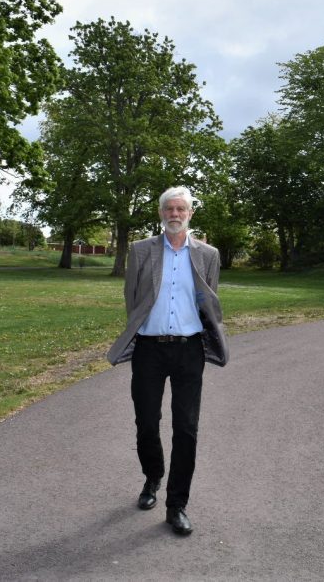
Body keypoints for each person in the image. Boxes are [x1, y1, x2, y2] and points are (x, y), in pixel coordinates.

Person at [106, 186, 229, 536]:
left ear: (190, 213)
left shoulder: (208, 254)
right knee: (146, 422)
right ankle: (152, 477)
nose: (174, 214)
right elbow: (132, 298)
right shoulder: (141, 251)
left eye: (181, 209)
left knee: (186, 428)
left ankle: (177, 505)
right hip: (149, 349)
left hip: (189, 351)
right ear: (161, 213)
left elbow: (209, 299)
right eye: (168, 209)